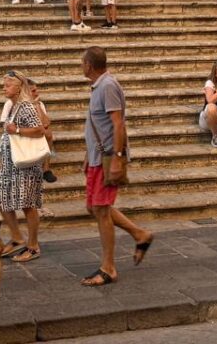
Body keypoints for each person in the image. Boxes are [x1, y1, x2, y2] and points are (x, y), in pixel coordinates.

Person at [80, 47, 152, 286]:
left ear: (89, 65)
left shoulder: (108, 86)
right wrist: (87, 154)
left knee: (101, 210)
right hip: (96, 157)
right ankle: (140, 234)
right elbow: (98, 125)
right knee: (94, 207)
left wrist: (118, 157)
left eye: (83, 63)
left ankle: (108, 267)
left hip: (107, 157)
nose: (81, 66)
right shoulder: (99, 86)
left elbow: (117, 124)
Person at [0, 71, 47, 263]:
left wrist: (17, 130)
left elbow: (40, 130)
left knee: (27, 205)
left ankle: (33, 246)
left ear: (18, 87)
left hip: (25, 165)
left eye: (7, 85)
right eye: (4, 85)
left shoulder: (26, 107)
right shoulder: (13, 106)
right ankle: (16, 238)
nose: (4, 88)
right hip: (10, 164)